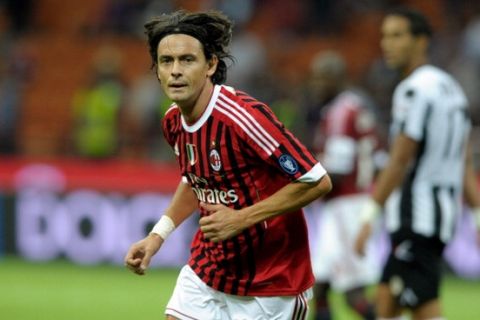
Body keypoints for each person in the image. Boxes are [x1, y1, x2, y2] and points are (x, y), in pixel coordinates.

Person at [124, 10, 332, 320]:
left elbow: (316, 180)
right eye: (166, 61)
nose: (176, 71)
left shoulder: (243, 117)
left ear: (210, 65)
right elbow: (196, 182)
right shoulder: (173, 122)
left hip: (271, 281)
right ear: (156, 70)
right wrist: (157, 237)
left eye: (187, 60)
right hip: (210, 270)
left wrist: (242, 218)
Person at [354, 8, 480, 320]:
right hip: (441, 216)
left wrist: (370, 214)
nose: (387, 44)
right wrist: (477, 213)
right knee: (390, 302)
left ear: (421, 41)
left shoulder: (413, 90)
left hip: (415, 215)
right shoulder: (451, 89)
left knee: (411, 305)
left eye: (397, 35)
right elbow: (462, 161)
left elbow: (400, 160)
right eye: (385, 36)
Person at [307, 51, 383, 320]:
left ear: (339, 79)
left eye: (323, 78)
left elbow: (336, 171)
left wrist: (298, 181)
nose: (316, 84)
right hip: (347, 205)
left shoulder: (340, 112)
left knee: (354, 295)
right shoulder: (354, 106)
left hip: (346, 206)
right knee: (320, 287)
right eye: (314, 78)